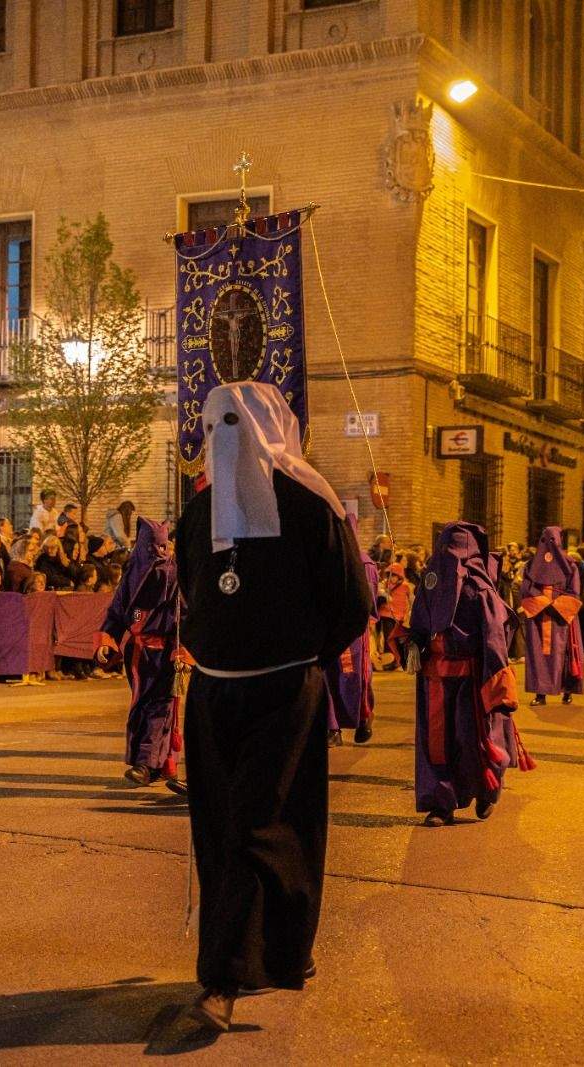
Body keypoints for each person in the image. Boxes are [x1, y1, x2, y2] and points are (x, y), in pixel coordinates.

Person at [174, 382, 373, 1033]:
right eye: (215, 427)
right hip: (212, 693)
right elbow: (193, 593)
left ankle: (223, 979)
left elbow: (352, 603)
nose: (222, 441)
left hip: (283, 694)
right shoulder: (199, 514)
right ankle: (282, 951)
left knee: (259, 828)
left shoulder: (311, 505)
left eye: (234, 426)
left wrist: (302, 660)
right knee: (220, 830)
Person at [408, 521, 530, 826]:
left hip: (471, 681)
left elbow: (494, 638)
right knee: (438, 744)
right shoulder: (430, 583)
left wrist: (498, 686)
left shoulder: (480, 589)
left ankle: (487, 790)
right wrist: (412, 643)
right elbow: (419, 620)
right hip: (435, 679)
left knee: (473, 740)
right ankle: (441, 803)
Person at [96, 516, 182, 791]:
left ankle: (146, 764)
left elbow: (184, 615)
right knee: (142, 706)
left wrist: (182, 651)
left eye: (163, 547)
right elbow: (117, 612)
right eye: (153, 547)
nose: (159, 553)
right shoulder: (131, 575)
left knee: (160, 707)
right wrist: (107, 640)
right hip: (137, 653)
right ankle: (151, 764)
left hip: (164, 653)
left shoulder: (174, 574)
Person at [322, 513, 378, 746]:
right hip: (339, 631)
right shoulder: (327, 558)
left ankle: (353, 721)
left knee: (345, 677)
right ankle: (341, 724)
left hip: (342, 631)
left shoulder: (359, 562)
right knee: (338, 678)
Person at [519, 525, 584, 707]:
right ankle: (540, 694)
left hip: (561, 617)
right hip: (539, 616)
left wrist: (557, 606)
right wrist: (543, 602)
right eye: (545, 540)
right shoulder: (531, 565)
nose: (550, 544)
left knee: (565, 653)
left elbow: (574, 591)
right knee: (538, 654)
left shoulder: (570, 564)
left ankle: (567, 690)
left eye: (553, 540)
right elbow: (526, 588)